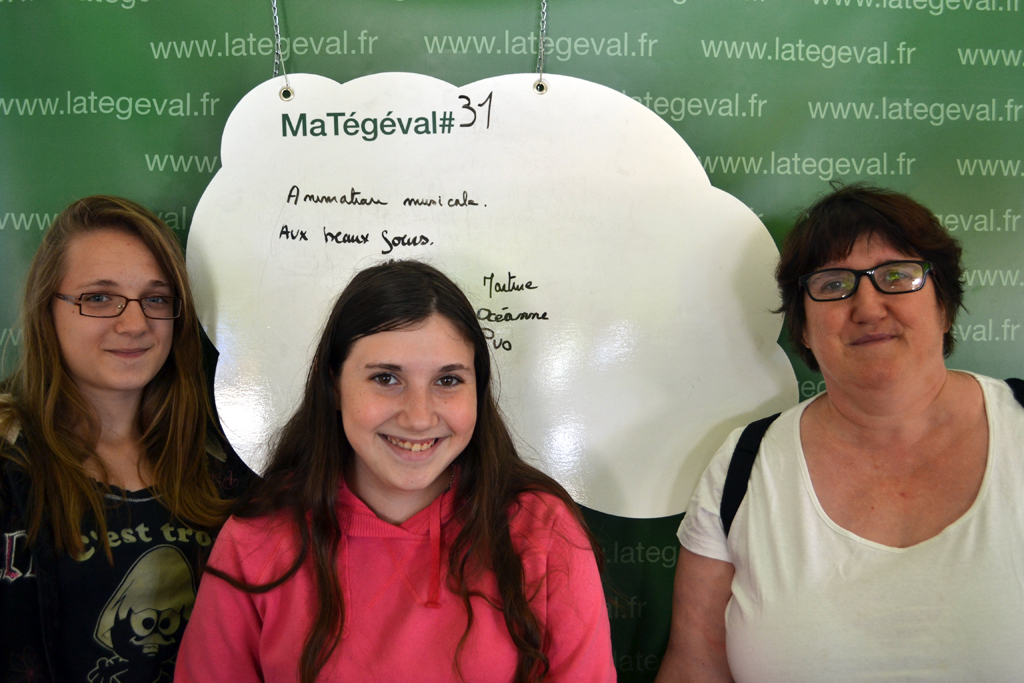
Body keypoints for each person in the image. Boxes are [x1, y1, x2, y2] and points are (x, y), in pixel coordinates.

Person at [174, 260, 615, 683]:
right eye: (386, 378)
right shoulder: (257, 540)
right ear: (333, 385)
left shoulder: (543, 532)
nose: (419, 418)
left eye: (448, 380)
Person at [656, 184, 1024, 682]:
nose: (868, 308)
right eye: (833, 285)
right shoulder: (740, 468)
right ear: (804, 329)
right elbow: (695, 666)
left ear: (943, 306)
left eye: (896, 276)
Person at [0, 196, 254, 683]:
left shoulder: (227, 465)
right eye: (99, 297)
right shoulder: (8, 462)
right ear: (47, 309)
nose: (135, 324)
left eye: (155, 299)